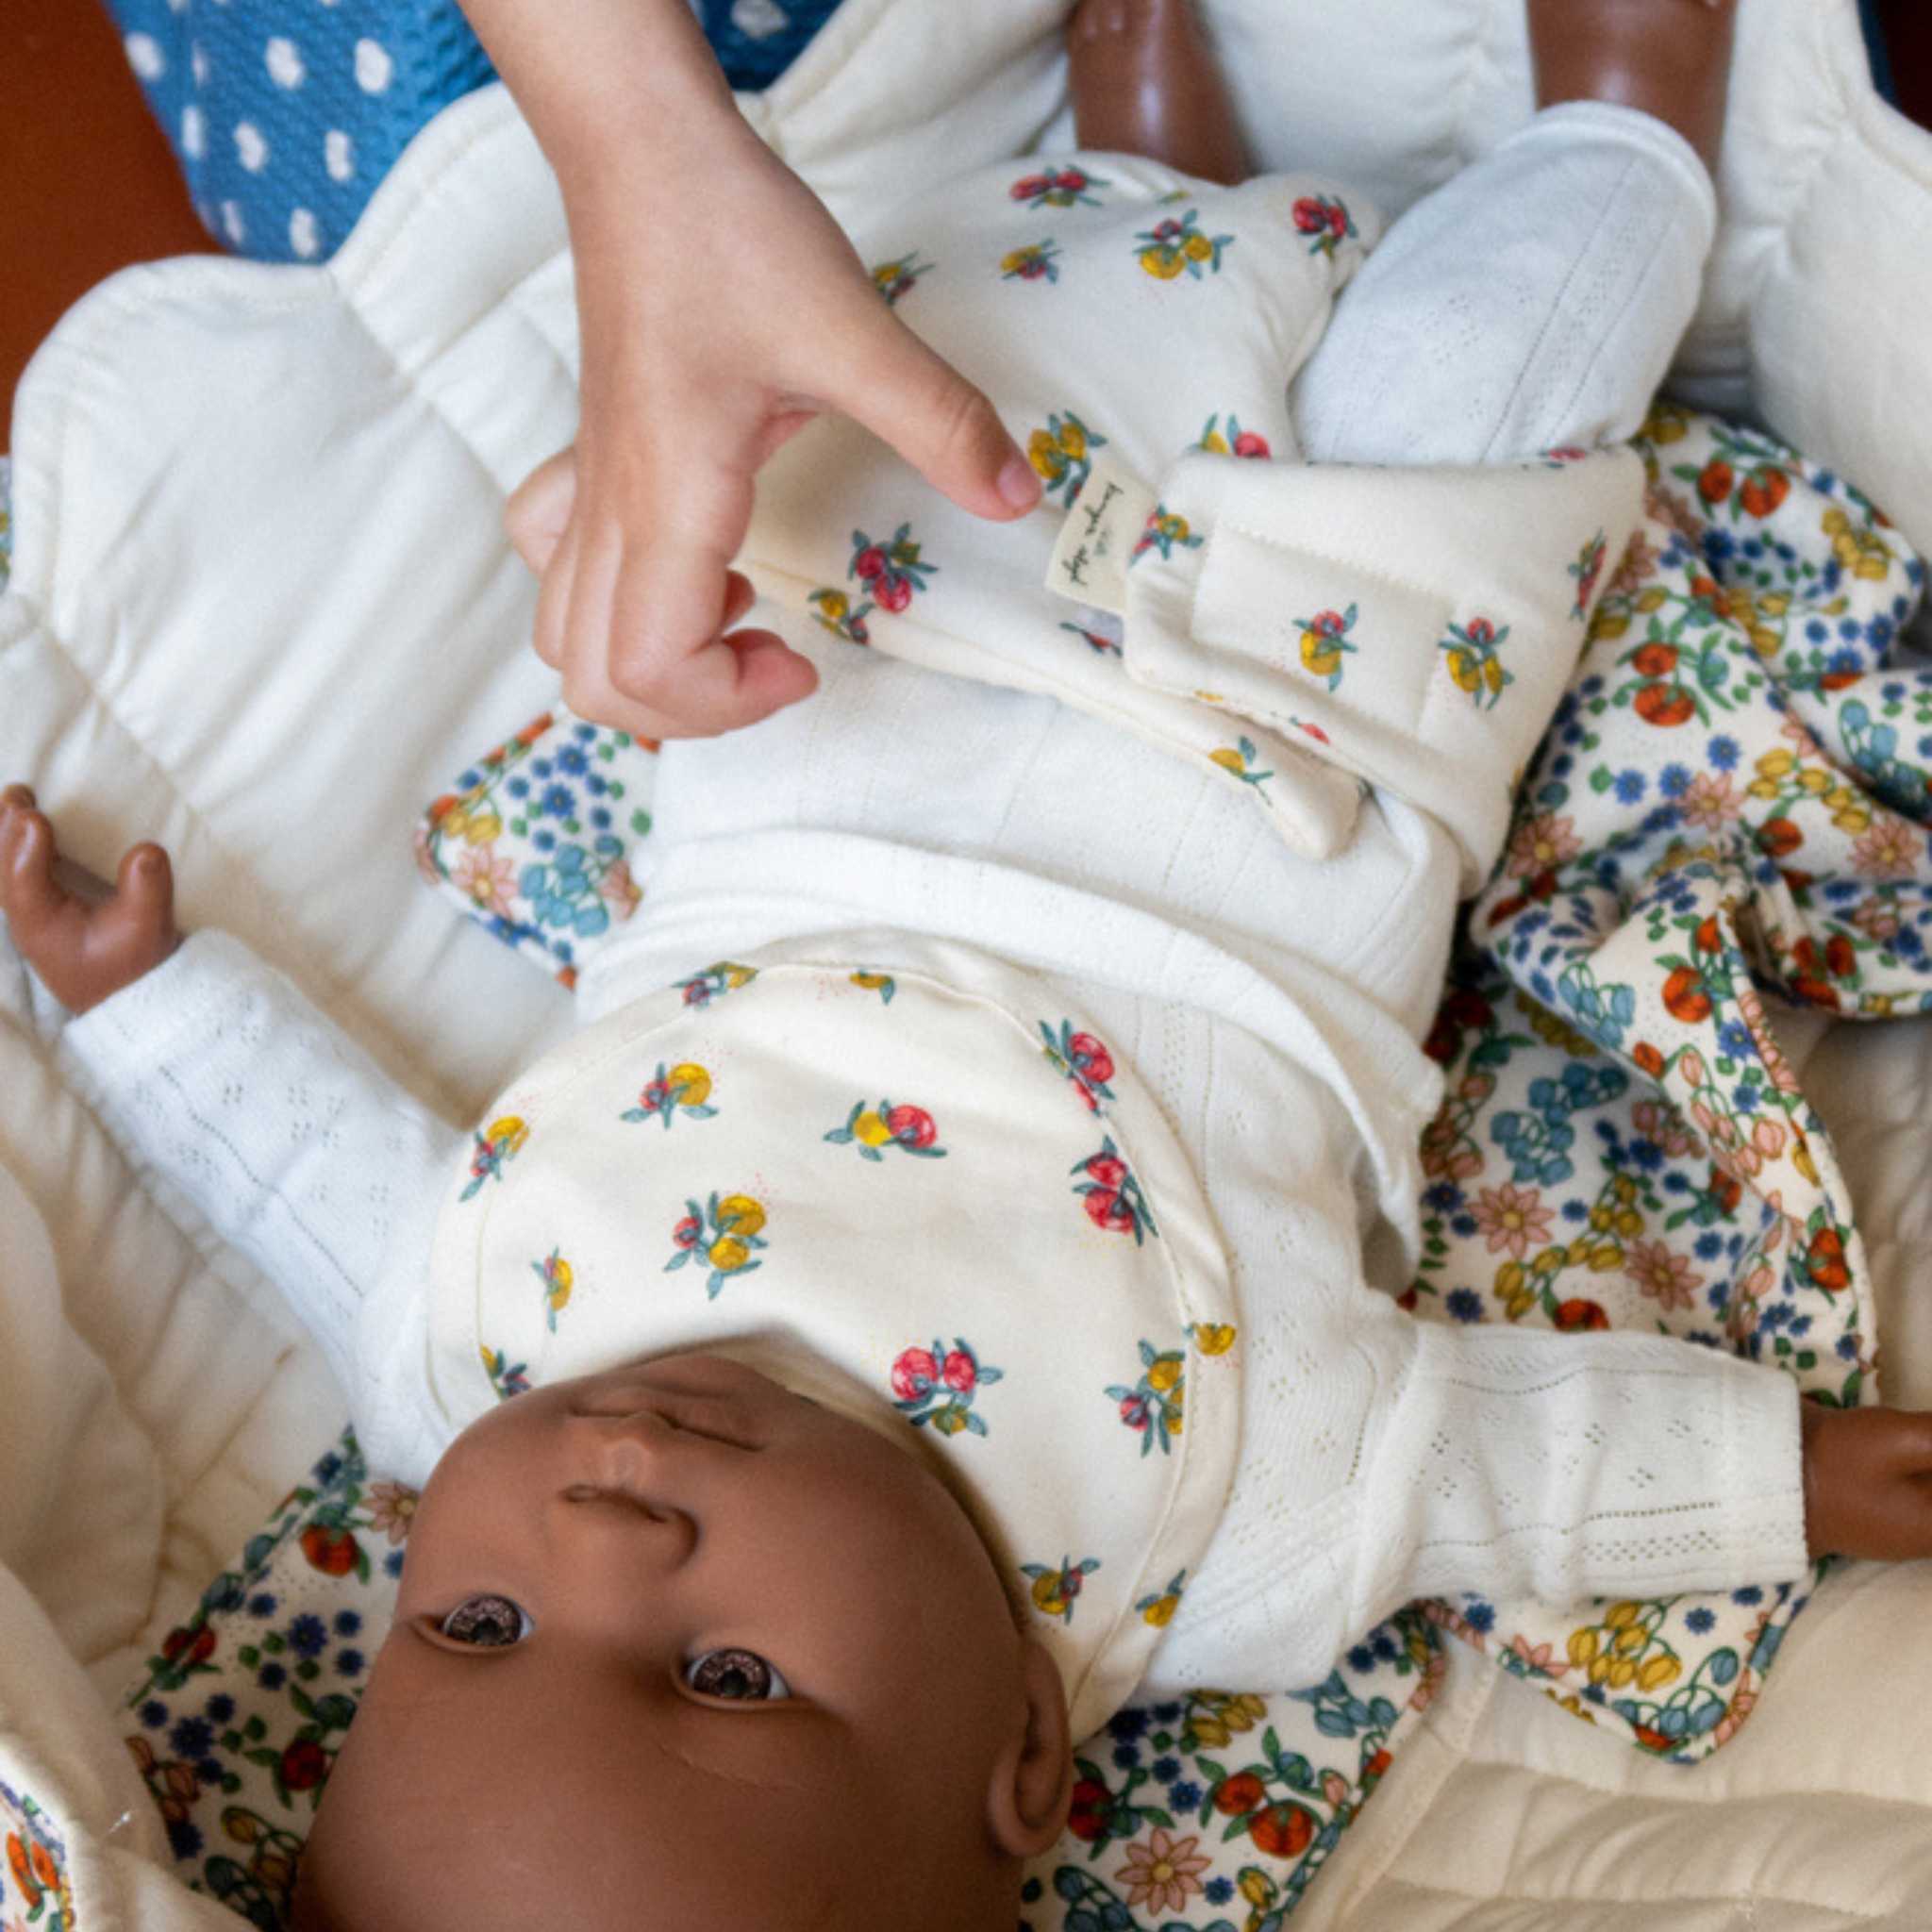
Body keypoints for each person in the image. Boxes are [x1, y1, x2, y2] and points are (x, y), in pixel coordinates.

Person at [10, 5, 1932, 1930]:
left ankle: (1139, 146)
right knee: (1477, 370)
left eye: (479, 1620)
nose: (601, 1528)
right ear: (1022, 1748)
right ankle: (1620, 125)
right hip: (1307, 680)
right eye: (723, 1675)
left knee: (909, 354)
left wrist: (137, 998)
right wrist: (1824, 1476)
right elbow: (1531, 1473)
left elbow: (300, 1176)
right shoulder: (1211, 1522)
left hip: (877, 627)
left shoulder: (460, 1351)